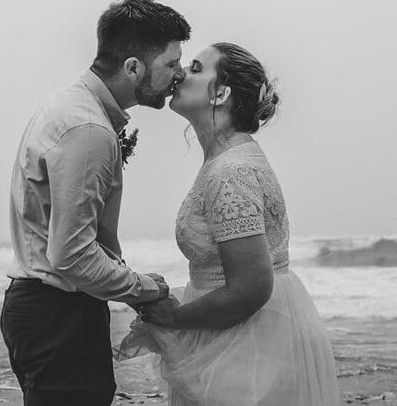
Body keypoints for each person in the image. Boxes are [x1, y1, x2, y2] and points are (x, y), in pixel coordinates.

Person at [117, 43, 341, 405]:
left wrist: (175, 317)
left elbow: (250, 288)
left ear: (220, 93)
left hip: (250, 342)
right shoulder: (228, 159)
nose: (179, 74)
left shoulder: (230, 172)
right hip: (250, 330)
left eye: (194, 67)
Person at [1, 0, 191, 406]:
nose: (179, 74)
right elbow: (71, 255)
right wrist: (143, 288)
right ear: (134, 67)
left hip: (42, 309)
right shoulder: (87, 129)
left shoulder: (70, 106)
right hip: (58, 314)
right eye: (171, 64)